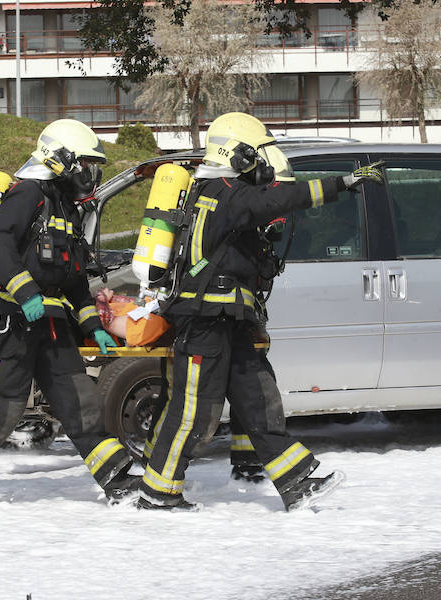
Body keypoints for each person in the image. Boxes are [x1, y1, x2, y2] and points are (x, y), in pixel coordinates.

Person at [138, 112, 384, 511]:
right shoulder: (222, 192)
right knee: (192, 411)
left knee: (257, 400)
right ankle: (158, 492)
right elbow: (278, 197)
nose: (260, 166)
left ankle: (296, 482)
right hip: (205, 322)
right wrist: (342, 183)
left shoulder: (223, 193)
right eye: (254, 157)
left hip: (230, 320)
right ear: (237, 155)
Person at [0, 119, 139, 503]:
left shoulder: (67, 208)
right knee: (3, 408)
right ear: (60, 160)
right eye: (85, 164)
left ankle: (116, 478)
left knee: (81, 402)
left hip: (52, 324)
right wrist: (25, 290)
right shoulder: (27, 194)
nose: (90, 173)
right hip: (11, 319)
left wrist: (93, 324)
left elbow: (76, 279)